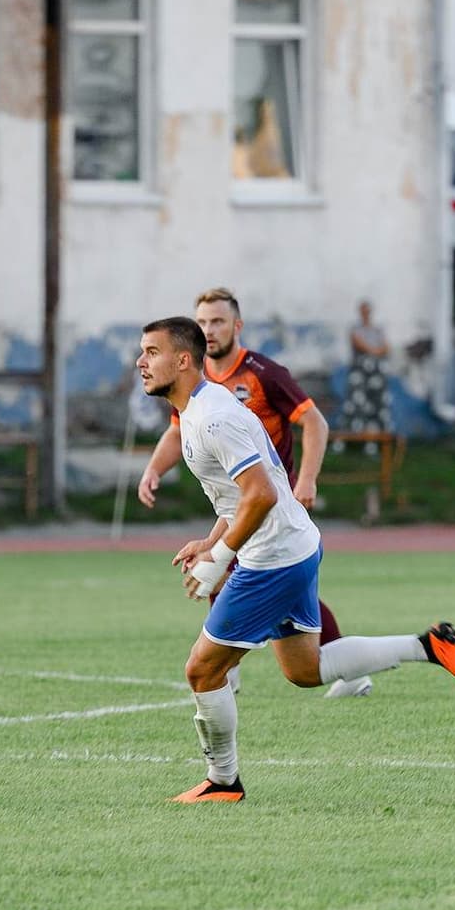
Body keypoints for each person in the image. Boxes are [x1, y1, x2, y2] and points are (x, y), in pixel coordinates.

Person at [134, 317, 455, 803]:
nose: (141, 362)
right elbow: (239, 497)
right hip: (293, 546)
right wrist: (211, 541)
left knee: (202, 670)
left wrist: (222, 556)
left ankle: (223, 781)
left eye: (151, 352)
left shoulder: (213, 417)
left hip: (271, 558)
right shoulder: (198, 412)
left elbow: (260, 496)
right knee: (304, 669)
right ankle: (430, 646)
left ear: (183, 360)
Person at [137, 288, 368, 698]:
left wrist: (307, 479)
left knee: (244, 576)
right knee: (248, 582)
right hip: (239, 502)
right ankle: (230, 670)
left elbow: (314, 422)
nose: (209, 329)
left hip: (267, 500)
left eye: (218, 321)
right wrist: (154, 469)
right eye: (202, 322)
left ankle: (221, 671)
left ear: (236, 326)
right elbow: (176, 431)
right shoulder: (193, 385)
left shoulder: (262, 373)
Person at [338, 298, 393, 449]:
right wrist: (376, 351)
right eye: (364, 310)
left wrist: (375, 351)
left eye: (368, 310)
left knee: (376, 405)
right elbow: (360, 344)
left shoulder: (377, 330)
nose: (366, 313)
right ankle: (350, 439)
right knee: (355, 405)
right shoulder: (355, 329)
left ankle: (374, 441)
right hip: (360, 374)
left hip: (376, 376)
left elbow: (386, 347)